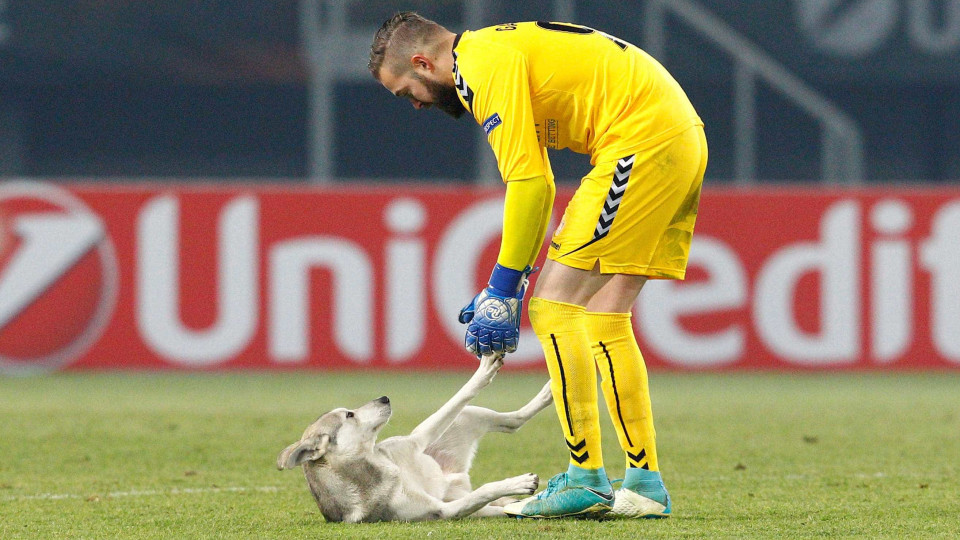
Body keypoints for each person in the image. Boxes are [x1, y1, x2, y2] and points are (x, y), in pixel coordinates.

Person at [369, 12, 707, 520]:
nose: (415, 105)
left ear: (423, 62)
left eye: (406, 91)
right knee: (605, 315)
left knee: (552, 307)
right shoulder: (494, 51)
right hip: (678, 139)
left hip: (639, 144)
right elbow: (539, 182)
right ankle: (644, 484)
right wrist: (505, 284)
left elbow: (532, 184)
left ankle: (585, 479)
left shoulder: (480, 66)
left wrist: (504, 289)